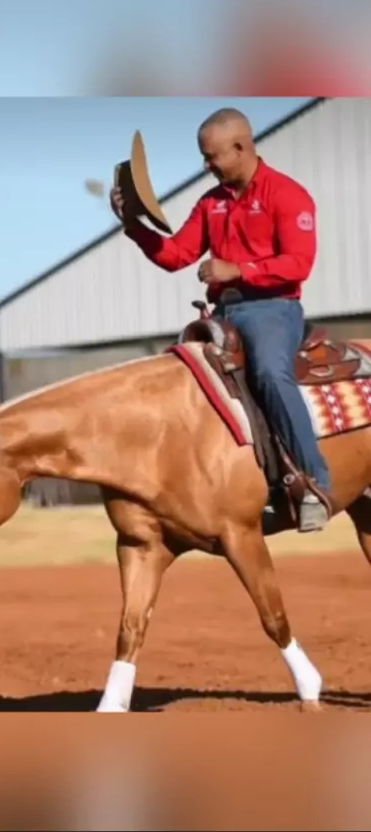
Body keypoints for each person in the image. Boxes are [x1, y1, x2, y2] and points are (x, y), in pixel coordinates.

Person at [109, 106, 332, 533]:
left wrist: (238, 270)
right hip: (223, 313)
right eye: (204, 157)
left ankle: (314, 484)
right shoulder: (210, 203)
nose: (206, 166)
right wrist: (134, 226)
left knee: (269, 374)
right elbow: (176, 255)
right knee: (180, 381)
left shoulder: (288, 195)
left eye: (212, 157)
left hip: (273, 309)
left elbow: (299, 263)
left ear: (240, 147)